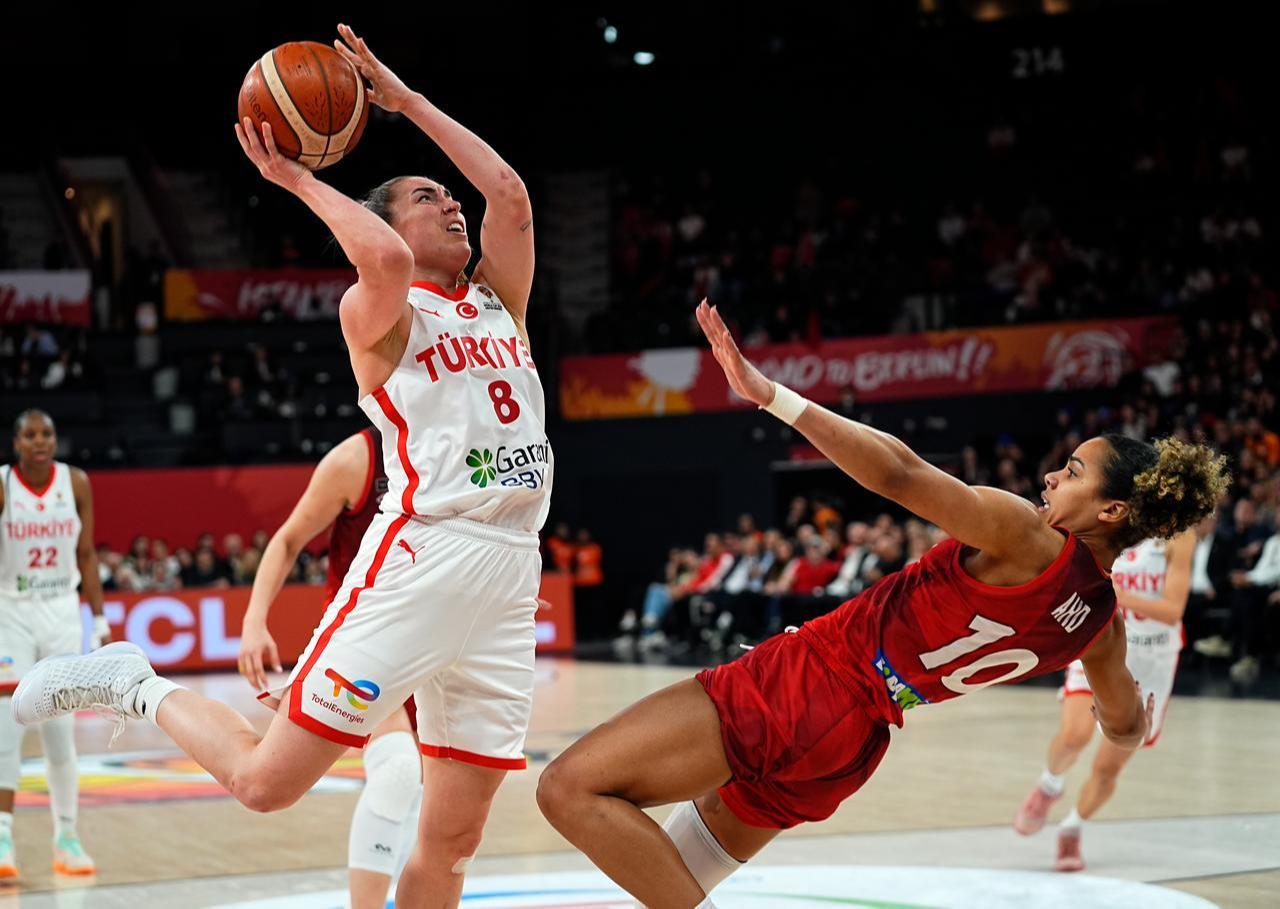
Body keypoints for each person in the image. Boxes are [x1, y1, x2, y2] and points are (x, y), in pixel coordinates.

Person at [12, 23, 550, 909]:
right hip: (424, 555)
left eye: (450, 197)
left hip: (510, 568)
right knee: (266, 782)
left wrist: (405, 100)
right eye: (427, 196)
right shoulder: (378, 313)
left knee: (452, 839)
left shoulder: (501, 303)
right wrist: (295, 177)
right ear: (386, 223)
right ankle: (131, 682)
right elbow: (381, 254)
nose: (453, 203)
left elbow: (513, 196)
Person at [535, 302, 1229, 909]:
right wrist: (1133, 709)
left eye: (1073, 471)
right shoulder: (1100, 624)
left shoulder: (1029, 536)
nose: (1052, 473)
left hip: (814, 679)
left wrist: (772, 394)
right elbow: (1123, 726)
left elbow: (899, 472)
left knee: (568, 788)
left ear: (1111, 508)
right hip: (852, 742)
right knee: (673, 880)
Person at [238, 428, 421, 909]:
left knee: (427, 800)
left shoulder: (459, 440)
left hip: (435, 637)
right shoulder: (356, 459)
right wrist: (255, 620)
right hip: (364, 639)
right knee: (398, 769)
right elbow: (288, 540)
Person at [1013, 527, 1196, 871]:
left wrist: (1116, 594)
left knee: (1108, 767)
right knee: (1074, 734)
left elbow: (1172, 609)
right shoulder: (1112, 522)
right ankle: (1049, 784)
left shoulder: (1178, 538)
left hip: (1152, 661)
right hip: (1105, 643)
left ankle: (1073, 827)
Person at [0, 410, 112, 878]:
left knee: (59, 731)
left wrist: (100, 616)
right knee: (7, 729)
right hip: (12, 613)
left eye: (47, 433)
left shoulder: (77, 482)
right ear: (17, 443)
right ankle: (3, 836)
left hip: (63, 613)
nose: (40, 441)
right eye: (30, 435)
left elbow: (85, 553)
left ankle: (66, 836)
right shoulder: (4, 483)